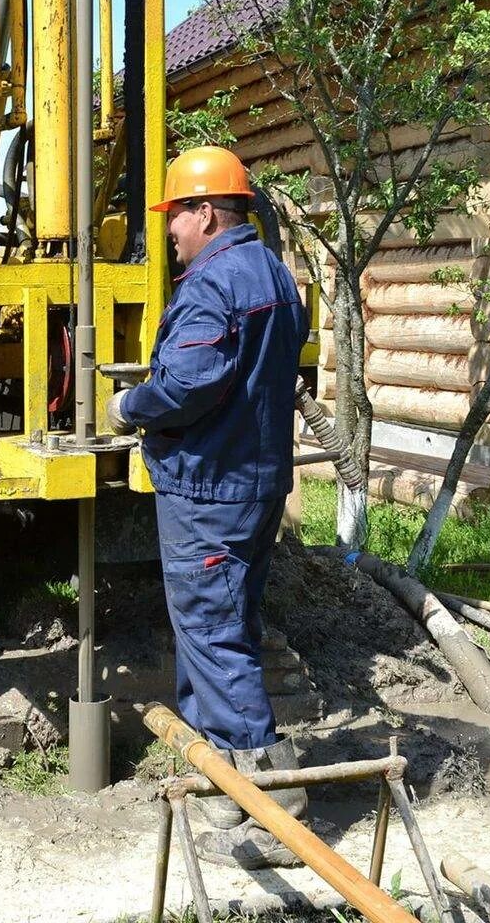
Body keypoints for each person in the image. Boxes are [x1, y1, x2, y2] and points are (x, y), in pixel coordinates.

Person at [106, 145, 310, 869]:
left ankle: (273, 812)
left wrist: (130, 403)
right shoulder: (277, 279)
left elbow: (189, 385)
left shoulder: (211, 285)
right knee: (224, 631)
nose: (168, 232)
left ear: (206, 211)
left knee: (214, 638)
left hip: (210, 491)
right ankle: (219, 776)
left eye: (174, 218)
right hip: (255, 485)